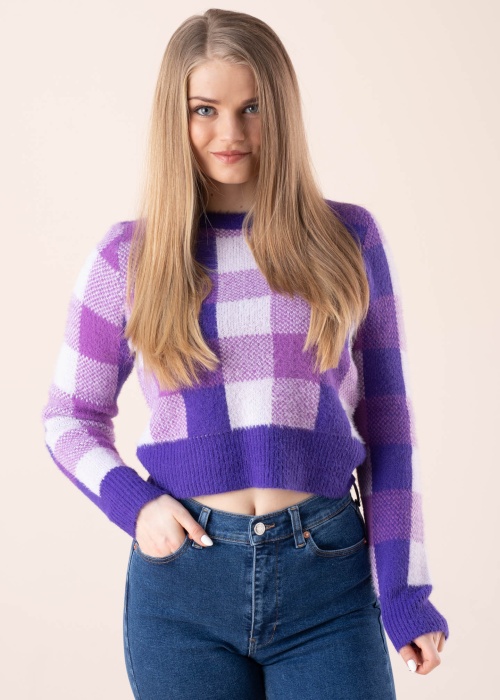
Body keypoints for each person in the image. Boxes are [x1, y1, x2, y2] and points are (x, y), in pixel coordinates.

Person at [41, 7, 449, 699]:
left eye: (251, 108)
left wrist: (406, 595)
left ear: (281, 112)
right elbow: (67, 417)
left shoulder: (348, 240)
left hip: (328, 576)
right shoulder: (129, 257)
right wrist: (136, 506)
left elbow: (388, 429)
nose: (229, 133)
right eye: (204, 109)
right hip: (182, 589)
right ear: (175, 117)